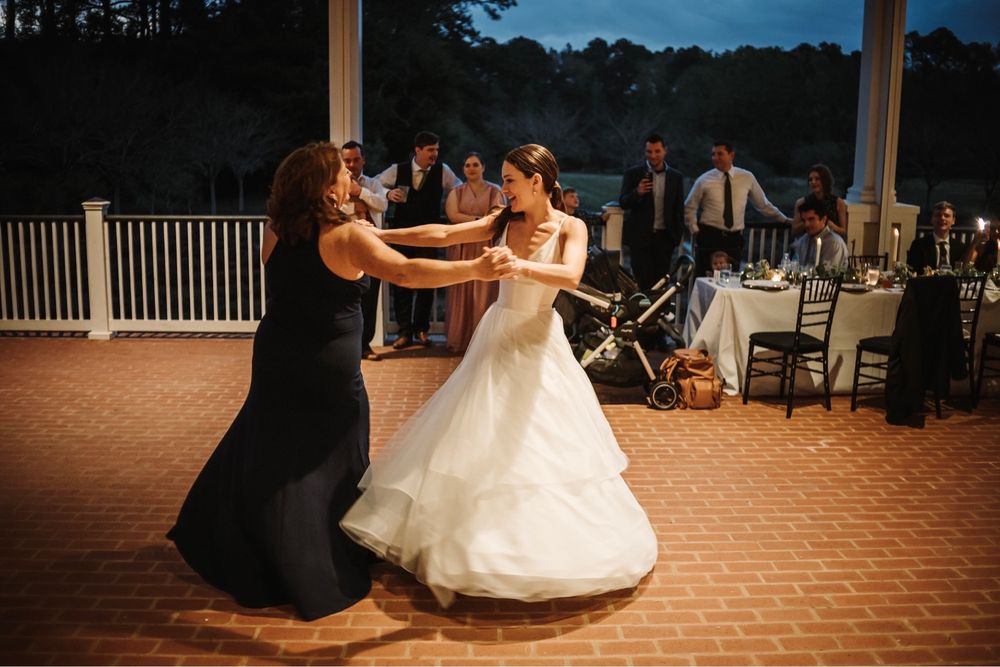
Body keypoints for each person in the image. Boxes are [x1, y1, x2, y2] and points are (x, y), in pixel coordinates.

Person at [167, 142, 513, 621]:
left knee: (270, 447)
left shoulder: (277, 227)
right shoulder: (344, 234)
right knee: (324, 459)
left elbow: (289, 279)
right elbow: (407, 272)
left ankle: (252, 545)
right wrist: (474, 268)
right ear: (326, 186)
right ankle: (314, 561)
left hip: (275, 353)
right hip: (325, 363)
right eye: (342, 173)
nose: (351, 178)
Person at [341, 144, 658, 609]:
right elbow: (443, 234)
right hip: (499, 333)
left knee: (540, 439)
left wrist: (519, 265)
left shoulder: (570, 226)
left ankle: (540, 546)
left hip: (539, 340)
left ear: (537, 181)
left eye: (510, 180)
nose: (503, 188)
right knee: (479, 431)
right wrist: (383, 235)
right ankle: (467, 541)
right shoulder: (502, 221)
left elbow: (570, 276)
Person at [378, 131, 462, 349]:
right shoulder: (397, 170)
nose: (435, 154)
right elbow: (375, 184)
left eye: (437, 149)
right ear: (418, 150)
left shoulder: (443, 171)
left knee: (427, 280)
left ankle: (422, 330)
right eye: (430, 150)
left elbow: (459, 189)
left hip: (430, 236)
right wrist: (387, 194)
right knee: (400, 280)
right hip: (402, 233)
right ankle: (404, 332)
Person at [685, 140, 790, 279]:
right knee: (705, 278)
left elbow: (763, 204)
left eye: (720, 154)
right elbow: (689, 206)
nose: (715, 158)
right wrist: (695, 230)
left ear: (731, 155)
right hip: (709, 236)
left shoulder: (746, 177)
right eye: (713, 154)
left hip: (733, 239)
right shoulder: (704, 179)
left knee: (732, 279)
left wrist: (784, 220)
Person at [443, 151, 505, 352]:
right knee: (460, 290)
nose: (471, 168)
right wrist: (479, 221)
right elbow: (453, 215)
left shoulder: (495, 191)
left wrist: (473, 222)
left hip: (486, 245)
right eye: (467, 165)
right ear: (463, 169)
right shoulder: (456, 192)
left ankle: (483, 342)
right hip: (461, 246)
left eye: (475, 164)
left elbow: (498, 216)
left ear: (483, 167)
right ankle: (460, 339)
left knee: (485, 293)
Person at [618, 134, 686, 291]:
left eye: (657, 151)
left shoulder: (676, 177)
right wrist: (637, 193)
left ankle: (660, 308)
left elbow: (679, 210)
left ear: (665, 151)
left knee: (661, 284)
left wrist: (675, 238)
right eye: (649, 151)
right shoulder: (633, 174)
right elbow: (623, 202)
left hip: (665, 239)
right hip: (640, 240)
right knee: (643, 284)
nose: (653, 155)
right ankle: (644, 308)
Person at [342, 140, 388, 361]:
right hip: (348, 249)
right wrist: (354, 206)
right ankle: (348, 345)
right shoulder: (335, 184)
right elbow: (333, 208)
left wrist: (360, 192)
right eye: (347, 161)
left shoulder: (373, 183)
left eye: (356, 159)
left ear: (363, 160)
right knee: (349, 298)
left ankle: (365, 345)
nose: (352, 164)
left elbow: (382, 204)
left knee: (371, 297)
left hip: (373, 247)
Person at [906, 201, 969, 273]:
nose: (942, 218)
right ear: (932, 219)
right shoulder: (919, 245)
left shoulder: (960, 247)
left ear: (953, 221)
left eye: (946, 216)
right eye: (938, 215)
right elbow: (912, 272)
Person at [789, 164, 848, 239]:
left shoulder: (838, 202)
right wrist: (810, 222)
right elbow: (794, 231)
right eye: (810, 179)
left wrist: (833, 227)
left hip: (830, 242)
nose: (813, 182)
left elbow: (843, 232)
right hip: (809, 242)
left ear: (825, 180)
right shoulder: (801, 202)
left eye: (817, 179)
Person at [789, 194, 848, 268]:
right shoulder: (803, 240)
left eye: (811, 219)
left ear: (823, 219)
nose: (806, 224)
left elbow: (827, 273)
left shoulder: (833, 243)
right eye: (804, 220)